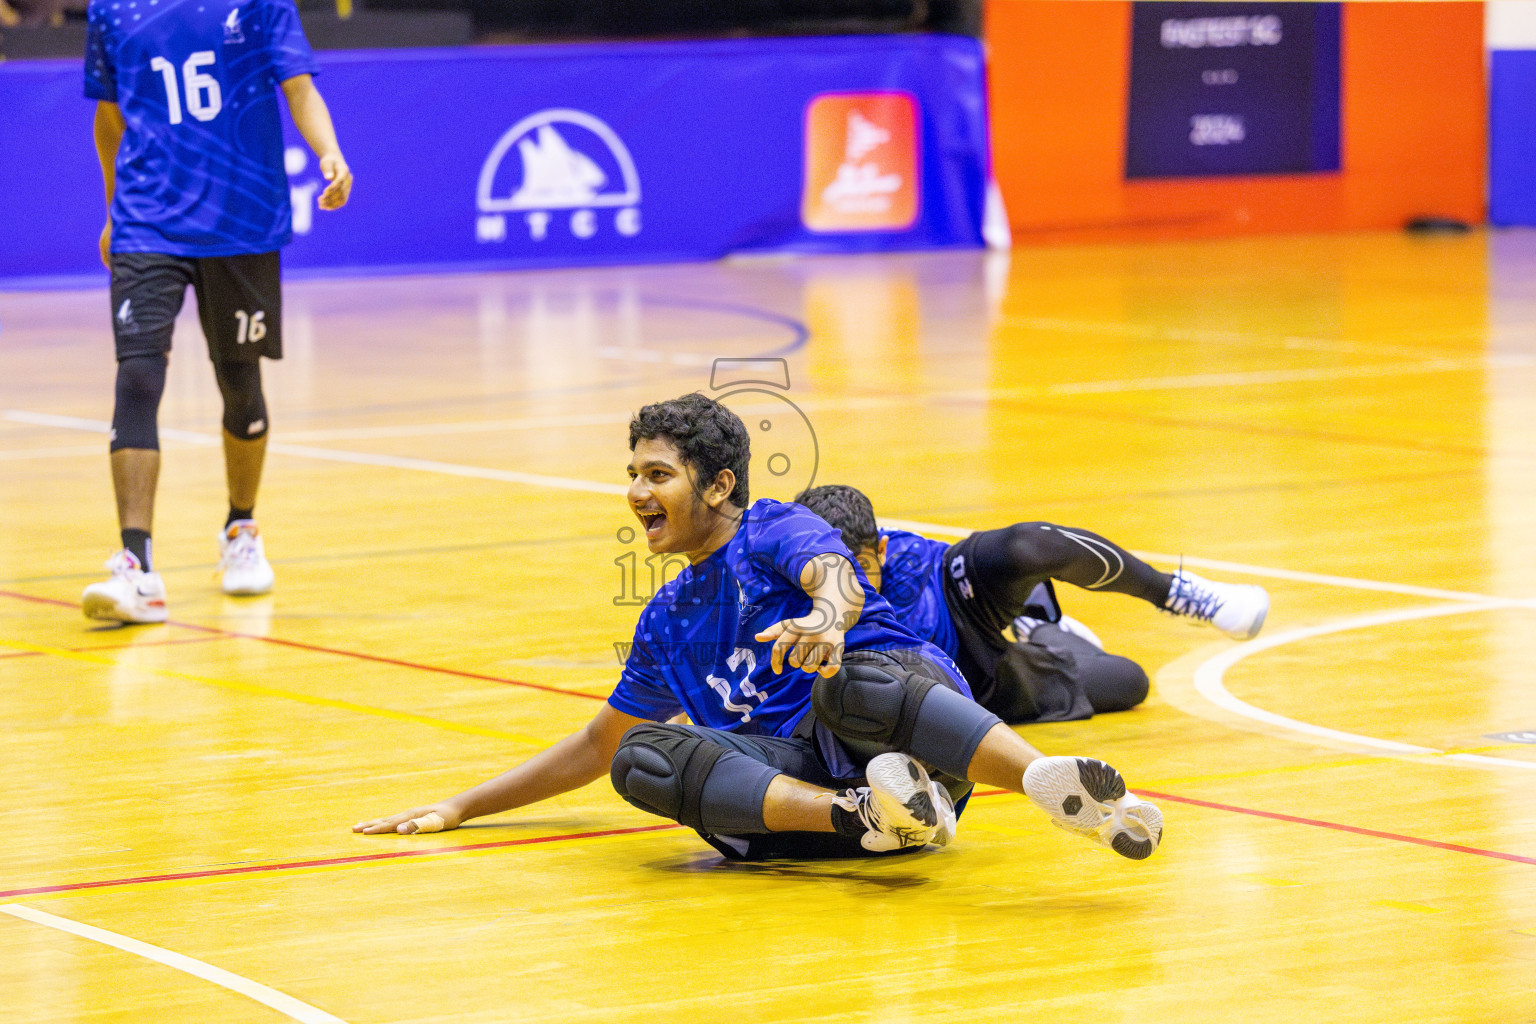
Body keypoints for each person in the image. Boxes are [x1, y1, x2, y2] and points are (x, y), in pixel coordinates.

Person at [355, 394, 1164, 861]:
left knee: (851, 681)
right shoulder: (666, 619)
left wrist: (827, 617)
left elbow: (835, 578)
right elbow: (594, 747)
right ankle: (871, 820)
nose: (637, 491)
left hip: (900, 731)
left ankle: (1046, 784)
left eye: (657, 474)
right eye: (632, 475)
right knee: (641, 757)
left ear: (720, 486)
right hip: (817, 787)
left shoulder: (771, 529)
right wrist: (462, 806)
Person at [80, 0, 352, 623]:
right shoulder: (112, 11)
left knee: (240, 383)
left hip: (243, 224)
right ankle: (136, 565)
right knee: (138, 376)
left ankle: (241, 529)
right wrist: (113, 209)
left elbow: (299, 89)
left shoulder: (259, 5)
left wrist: (329, 152)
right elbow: (110, 115)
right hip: (148, 223)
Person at [793, 484, 1269, 725]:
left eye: (859, 569)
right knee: (1128, 680)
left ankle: (1174, 592)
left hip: (957, 614)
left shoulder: (916, 563)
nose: (848, 588)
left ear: (880, 550)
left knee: (1030, 545)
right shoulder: (781, 597)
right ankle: (1043, 630)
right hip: (972, 683)